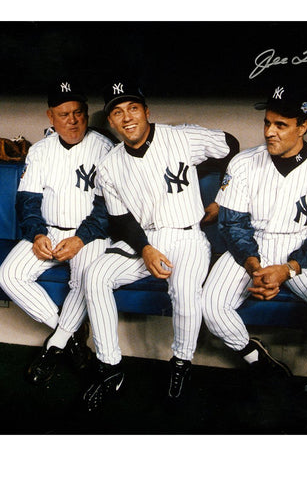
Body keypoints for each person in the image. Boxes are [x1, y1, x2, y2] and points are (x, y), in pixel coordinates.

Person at [81, 79, 239, 411]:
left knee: (185, 290)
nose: (126, 118)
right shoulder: (109, 165)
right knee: (94, 275)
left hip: (187, 236)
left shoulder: (181, 137)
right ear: (110, 121)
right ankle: (110, 367)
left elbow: (231, 145)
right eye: (117, 112)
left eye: (133, 108)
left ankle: (181, 362)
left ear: (147, 111)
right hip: (143, 238)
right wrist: (146, 249)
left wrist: (223, 198)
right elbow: (120, 220)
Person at [201, 84, 307, 397]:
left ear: (303, 126)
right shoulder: (243, 163)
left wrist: (289, 268)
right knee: (210, 305)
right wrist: (253, 264)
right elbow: (232, 224)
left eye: (281, 125)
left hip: (304, 247)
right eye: (267, 122)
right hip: (249, 244)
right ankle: (255, 357)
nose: (270, 131)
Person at [0, 79, 117, 385]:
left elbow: (107, 208)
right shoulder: (40, 151)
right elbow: (27, 201)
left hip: (88, 234)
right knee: (9, 276)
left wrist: (80, 238)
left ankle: (54, 346)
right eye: (64, 114)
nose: (73, 120)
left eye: (78, 112)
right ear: (51, 117)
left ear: (87, 113)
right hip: (49, 230)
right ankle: (72, 335)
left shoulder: (104, 148)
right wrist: (37, 234)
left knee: (87, 279)